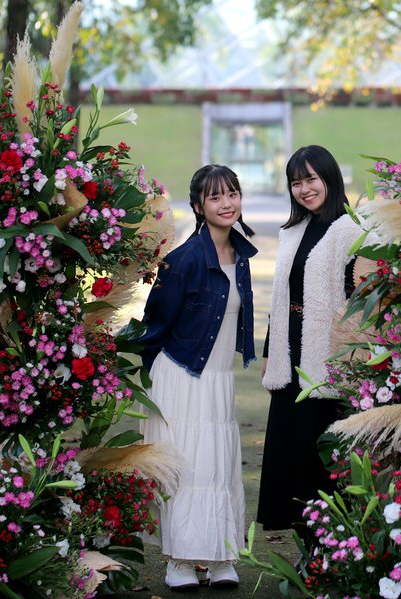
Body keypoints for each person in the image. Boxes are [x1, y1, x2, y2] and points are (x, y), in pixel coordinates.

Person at [137, 165, 257, 591]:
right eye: (215, 197)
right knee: (188, 471)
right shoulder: (182, 260)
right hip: (183, 377)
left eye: (232, 194)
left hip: (218, 379)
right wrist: (155, 384)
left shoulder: (241, 255)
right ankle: (181, 561)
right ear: (197, 207)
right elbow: (154, 327)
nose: (226, 204)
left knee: (218, 468)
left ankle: (220, 554)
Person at [258, 145, 364, 534]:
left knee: (322, 459)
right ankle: (308, 545)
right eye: (296, 183)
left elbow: (360, 300)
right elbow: (282, 296)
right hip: (291, 356)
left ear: (329, 178)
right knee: (293, 456)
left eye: (310, 179)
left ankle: (331, 544)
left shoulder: (351, 229)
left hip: (329, 360)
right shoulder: (294, 230)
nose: (303, 189)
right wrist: (271, 352)